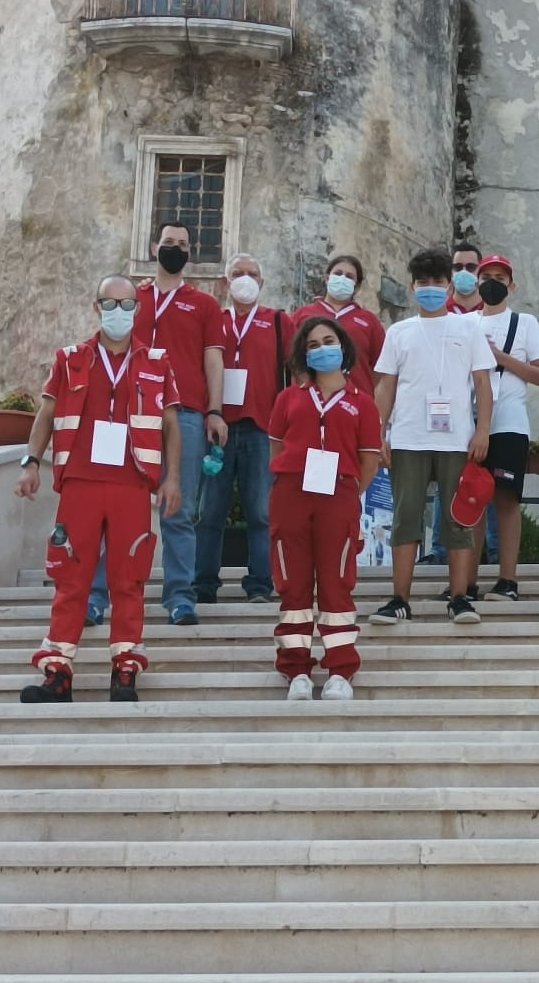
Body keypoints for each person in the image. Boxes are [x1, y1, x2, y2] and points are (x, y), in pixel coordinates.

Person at [15, 275, 182, 703]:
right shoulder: (70, 358)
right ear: (97, 307)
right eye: (112, 304)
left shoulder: (157, 361)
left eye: (128, 306)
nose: (120, 313)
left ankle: (125, 671)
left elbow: (171, 426)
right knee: (70, 577)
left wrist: (173, 479)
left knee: (130, 578)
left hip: (132, 483)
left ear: (138, 311)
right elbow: (46, 414)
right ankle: (58, 673)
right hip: (81, 483)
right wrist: (31, 463)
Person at [370, 250, 493, 625]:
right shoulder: (399, 332)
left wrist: (483, 429)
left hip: (457, 438)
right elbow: (386, 387)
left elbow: (483, 384)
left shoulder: (469, 328)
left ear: (449, 286)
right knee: (406, 518)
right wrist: (379, 433)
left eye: (437, 283)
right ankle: (399, 599)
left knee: (459, 519)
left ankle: (459, 598)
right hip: (409, 436)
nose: (430, 289)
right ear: (413, 287)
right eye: (423, 283)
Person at [267, 317, 382, 701]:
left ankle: (340, 670)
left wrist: (347, 492)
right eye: (313, 344)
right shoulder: (288, 398)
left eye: (328, 341)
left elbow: (369, 462)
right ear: (303, 353)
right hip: (292, 495)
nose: (321, 349)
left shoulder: (362, 404)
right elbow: (276, 448)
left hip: (339, 495)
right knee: (293, 583)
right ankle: (296, 669)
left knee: (336, 583)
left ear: (343, 347)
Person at [115, 223, 224, 628]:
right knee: (121, 507)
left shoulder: (204, 304)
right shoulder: (132, 297)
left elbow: (214, 359)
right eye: (168, 243)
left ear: (190, 253)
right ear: (152, 247)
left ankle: (180, 595)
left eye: (182, 245)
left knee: (178, 509)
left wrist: (215, 410)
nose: (174, 249)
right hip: (131, 414)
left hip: (188, 415)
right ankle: (108, 592)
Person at [195, 252, 284, 607]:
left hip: (261, 429)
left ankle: (260, 583)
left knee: (261, 512)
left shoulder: (277, 322)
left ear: (261, 284)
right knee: (209, 511)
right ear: (225, 282)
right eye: (237, 273)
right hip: (215, 427)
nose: (245, 279)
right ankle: (203, 584)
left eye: (252, 273)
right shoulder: (212, 320)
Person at [473, 253, 539, 600]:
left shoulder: (525, 323)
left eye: (499, 278)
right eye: (486, 276)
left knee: (506, 500)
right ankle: (465, 579)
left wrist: (501, 358)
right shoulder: (466, 323)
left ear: (511, 285)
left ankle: (508, 580)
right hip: (469, 423)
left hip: (509, 423)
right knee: (469, 500)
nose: (492, 282)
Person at [290, 255, 386, 400]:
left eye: (349, 276)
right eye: (338, 273)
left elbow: (380, 367)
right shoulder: (303, 315)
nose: (342, 278)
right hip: (308, 400)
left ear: (357, 285)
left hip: (356, 402)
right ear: (327, 278)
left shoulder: (369, 321)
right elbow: (291, 357)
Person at [448, 240, 487, 315]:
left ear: (481, 271)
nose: (464, 272)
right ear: (451, 272)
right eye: (458, 267)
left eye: (471, 267)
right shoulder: (441, 312)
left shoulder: (492, 311)